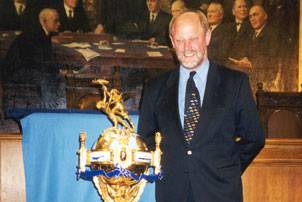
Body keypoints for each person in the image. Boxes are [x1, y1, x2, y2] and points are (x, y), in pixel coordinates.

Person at [138, 10, 265, 202]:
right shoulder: (155, 87)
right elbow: (145, 138)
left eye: (193, 38)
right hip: (172, 192)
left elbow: (254, 137)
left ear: (207, 37)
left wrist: (226, 168)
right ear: (172, 42)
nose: (187, 47)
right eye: (180, 40)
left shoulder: (235, 83)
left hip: (220, 192)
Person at [2, 8, 65, 109]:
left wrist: (57, 70)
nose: (59, 24)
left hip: (29, 68)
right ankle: (48, 111)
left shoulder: (44, 33)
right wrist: (56, 70)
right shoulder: (34, 34)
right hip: (16, 71)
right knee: (45, 78)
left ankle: (55, 108)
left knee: (54, 77)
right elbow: (35, 62)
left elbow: (45, 59)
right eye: (55, 21)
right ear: (44, 21)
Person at [230, 4, 280, 92]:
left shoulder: (274, 35)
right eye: (250, 17)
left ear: (265, 16)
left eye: (256, 15)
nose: (252, 19)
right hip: (250, 79)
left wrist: (251, 64)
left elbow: (274, 60)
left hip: (265, 82)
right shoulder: (250, 35)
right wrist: (244, 58)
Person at [226, 0, 253, 71]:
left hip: (243, 65)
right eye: (239, 7)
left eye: (245, 7)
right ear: (233, 12)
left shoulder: (252, 26)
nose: (243, 9)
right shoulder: (226, 28)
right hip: (226, 64)